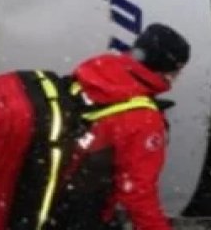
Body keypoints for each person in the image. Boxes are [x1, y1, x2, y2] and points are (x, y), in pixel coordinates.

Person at [46, 23, 190, 230]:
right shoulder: (144, 120)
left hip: (46, 191)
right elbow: (139, 194)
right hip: (80, 210)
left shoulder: (98, 69)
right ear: (167, 72)